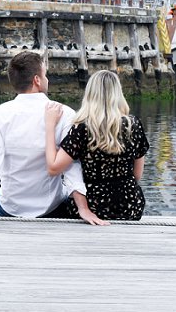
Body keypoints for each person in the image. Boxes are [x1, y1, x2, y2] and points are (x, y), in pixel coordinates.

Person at [0, 51, 107, 225]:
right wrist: (83, 209)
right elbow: (71, 166)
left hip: (10, 208)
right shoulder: (65, 114)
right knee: (65, 189)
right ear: (37, 80)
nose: (47, 79)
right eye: (45, 75)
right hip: (51, 208)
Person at [44, 70, 149, 221]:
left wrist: (50, 125)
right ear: (118, 94)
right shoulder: (133, 125)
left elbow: (53, 167)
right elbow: (137, 175)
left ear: (90, 94)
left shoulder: (82, 128)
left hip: (93, 207)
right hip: (130, 206)